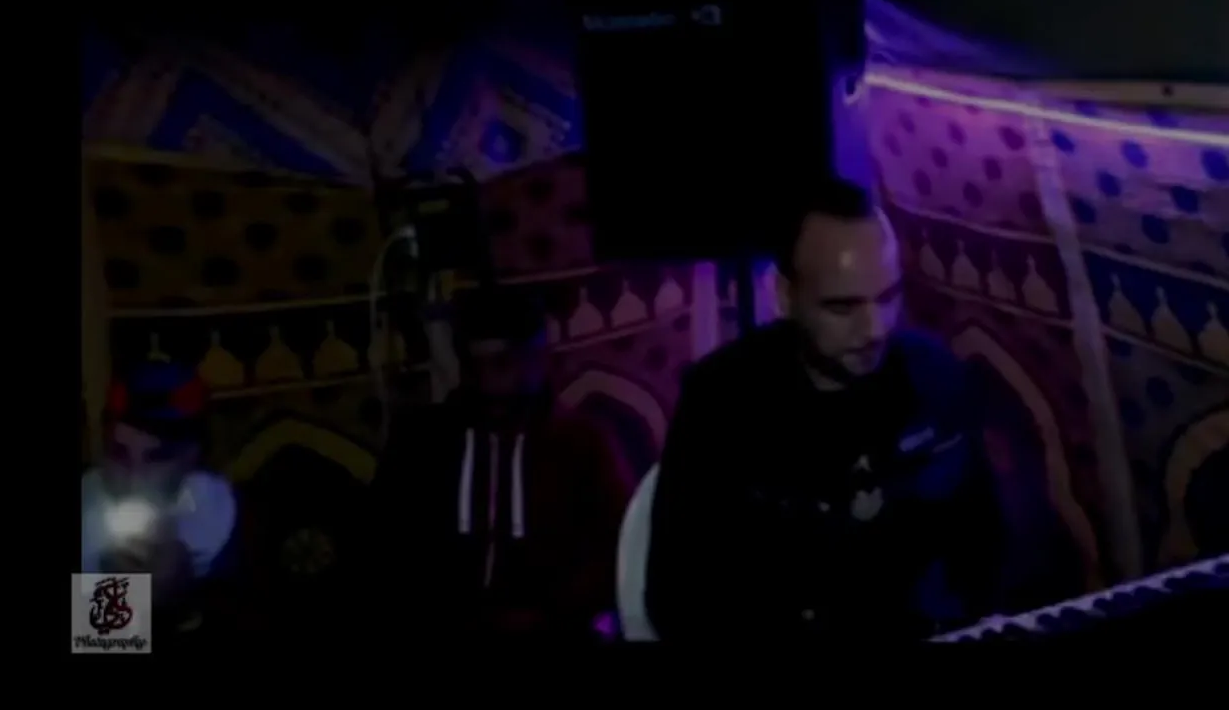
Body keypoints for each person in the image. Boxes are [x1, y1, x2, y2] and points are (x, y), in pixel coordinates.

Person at [645, 178, 1005, 641]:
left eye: (888, 297)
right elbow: (677, 599)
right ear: (784, 296)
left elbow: (987, 548)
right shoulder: (719, 401)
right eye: (843, 307)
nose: (875, 329)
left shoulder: (937, 379)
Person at [374, 286, 633, 641]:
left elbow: (616, 548)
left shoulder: (582, 444)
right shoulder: (421, 442)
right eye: (475, 364)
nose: (490, 380)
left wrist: (550, 613)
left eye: (504, 362)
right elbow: (384, 546)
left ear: (537, 357)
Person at [80, 361, 238, 642]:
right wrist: (115, 593)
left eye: (157, 458)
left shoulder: (219, 514)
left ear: (193, 456)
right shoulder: (87, 503)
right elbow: (101, 645)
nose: (134, 478)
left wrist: (182, 605)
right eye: (119, 453)